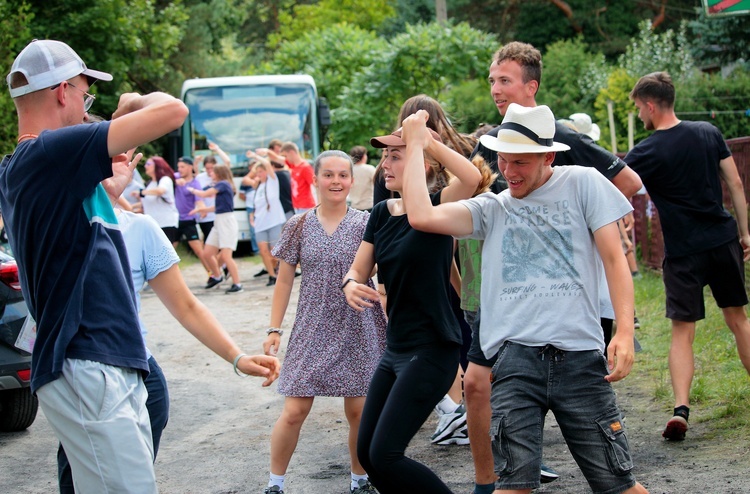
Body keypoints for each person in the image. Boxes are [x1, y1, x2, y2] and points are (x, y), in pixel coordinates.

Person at [400, 104, 648, 494]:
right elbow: (421, 217)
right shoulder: (493, 208)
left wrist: (623, 331)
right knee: (514, 484)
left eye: (521, 163)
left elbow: (615, 259)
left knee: (617, 484)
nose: (509, 172)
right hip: (515, 361)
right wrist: (416, 146)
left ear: (548, 156)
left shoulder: (583, 183)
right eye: (502, 160)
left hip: (580, 357)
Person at [0, 38, 186, 493]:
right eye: (85, 94)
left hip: (90, 362)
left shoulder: (22, 165)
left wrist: (113, 183)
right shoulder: (50, 153)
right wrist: (133, 103)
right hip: (88, 363)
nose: (86, 107)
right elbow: (173, 110)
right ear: (63, 91)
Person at [464, 41, 643, 493]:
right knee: (479, 383)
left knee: (608, 465)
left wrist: (602, 216)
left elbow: (628, 183)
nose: (495, 89)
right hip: (514, 304)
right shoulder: (494, 144)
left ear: (531, 86)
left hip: (573, 309)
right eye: (491, 80)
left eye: (504, 80)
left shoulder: (568, 148)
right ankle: (494, 479)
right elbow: (466, 204)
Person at [58, 201, 280, 493]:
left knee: (131, 483)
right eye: (111, 156)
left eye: (126, 156)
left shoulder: (140, 227)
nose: (120, 161)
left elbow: (186, 306)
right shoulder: (52, 220)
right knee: (81, 478)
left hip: (139, 372)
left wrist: (236, 357)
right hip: (78, 377)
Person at [342, 120, 481, 493]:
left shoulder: (439, 209)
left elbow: (470, 177)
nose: (385, 164)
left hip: (433, 349)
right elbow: (359, 268)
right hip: (396, 349)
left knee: (386, 454)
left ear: (423, 163)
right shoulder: (382, 214)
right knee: (368, 455)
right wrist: (351, 284)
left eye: (395, 156)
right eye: (384, 156)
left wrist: (424, 142)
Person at [624, 71, 750, 441]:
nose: (640, 115)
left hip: (682, 252)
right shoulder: (708, 133)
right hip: (722, 238)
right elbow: (736, 183)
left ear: (649, 104)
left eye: (638, 108)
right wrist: (744, 233)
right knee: (738, 319)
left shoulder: (645, 151)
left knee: (683, 332)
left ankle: (681, 410)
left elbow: (619, 184)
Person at [262, 150, 387, 494]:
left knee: (360, 411)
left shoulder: (367, 222)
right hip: (312, 325)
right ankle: (275, 484)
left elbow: (385, 269)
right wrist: (274, 329)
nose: (336, 181)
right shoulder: (298, 225)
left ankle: (359, 480)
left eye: (343, 175)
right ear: (314, 179)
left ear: (352, 179)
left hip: (359, 324)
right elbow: (284, 281)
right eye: (328, 175)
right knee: (294, 409)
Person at [188, 164, 243, 293]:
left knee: (226, 255)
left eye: (213, 172)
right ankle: (217, 276)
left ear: (218, 173)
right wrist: (202, 209)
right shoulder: (221, 186)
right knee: (207, 252)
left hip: (226, 222)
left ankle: (237, 284)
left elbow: (205, 194)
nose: (210, 174)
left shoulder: (223, 184)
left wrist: (192, 190)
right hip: (219, 220)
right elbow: (218, 207)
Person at [249, 161, 287, 286]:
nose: (259, 174)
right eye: (258, 172)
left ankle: (280, 273)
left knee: (274, 251)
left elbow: (268, 166)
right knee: (263, 250)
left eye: (261, 171)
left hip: (273, 221)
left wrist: (257, 156)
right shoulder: (258, 186)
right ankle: (271, 275)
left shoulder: (272, 182)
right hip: (260, 223)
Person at [174, 156, 210, 265]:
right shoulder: (174, 177)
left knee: (199, 251)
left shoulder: (195, 183)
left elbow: (199, 200)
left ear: (190, 167)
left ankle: (213, 274)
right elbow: (164, 179)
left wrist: (202, 209)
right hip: (174, 220)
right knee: (168, 250)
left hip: (189, 220)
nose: (179, 169)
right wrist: (175, 181)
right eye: (178, 167)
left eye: (182, 167)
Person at [136, 156, 179, 243]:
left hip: (166, 223)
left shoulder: (165, 180)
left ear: (157, 165)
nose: (145, 166)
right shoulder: (150, 184)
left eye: (148, 164)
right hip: (152, 224)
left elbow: (160, 191)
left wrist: (142, 192)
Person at [349, 145, 375, 211]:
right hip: (368, 205)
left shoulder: (349, 170)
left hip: (353, 206)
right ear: (363, 156)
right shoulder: (370, 169)